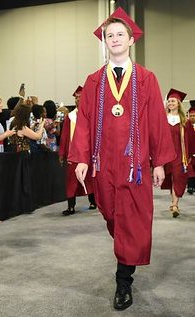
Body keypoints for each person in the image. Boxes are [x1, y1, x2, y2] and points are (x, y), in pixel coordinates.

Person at [69, 7, 176, 311]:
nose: (114, 39)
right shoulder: (94, 81)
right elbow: (86, 121)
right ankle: (126, 255)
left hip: (135, 165)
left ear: (131, 40)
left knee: (132, 218)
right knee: (112, 216)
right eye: (109, 35)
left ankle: (123, 280)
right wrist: (81, 158)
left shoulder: (145, 78)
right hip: (104, 164)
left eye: (119, 34)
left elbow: (156, 120)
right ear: (105, 42)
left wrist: (158, 163)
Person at [59, 86, 96, 216]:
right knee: (71, 180)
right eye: (76, 98)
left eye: (80, 97)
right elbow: (64, 136)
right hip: (73, 153)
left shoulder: (92, 114)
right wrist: (62, 153)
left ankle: (93, 201)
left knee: (89, 179)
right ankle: (71, 207)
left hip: (88, 151)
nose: (77, 100)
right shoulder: (70, 117)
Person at [161, 89, 190, 217]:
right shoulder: (162, 120)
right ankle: (174, 201)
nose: (170, 103)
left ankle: (175, 204)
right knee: (171, 178)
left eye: (173, 101)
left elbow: (192, 140)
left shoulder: (185, 122)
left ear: (178, 103)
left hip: (180, 155)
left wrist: (189, 156)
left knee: (177, 177)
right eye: (169, 101)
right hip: (166, 154)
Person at [186, 100, 195, 194]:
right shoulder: (186, 126)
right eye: (191, 116)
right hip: (190, 151)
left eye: (194, 116)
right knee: (190, 170)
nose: (192, 117)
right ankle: (190, 187)